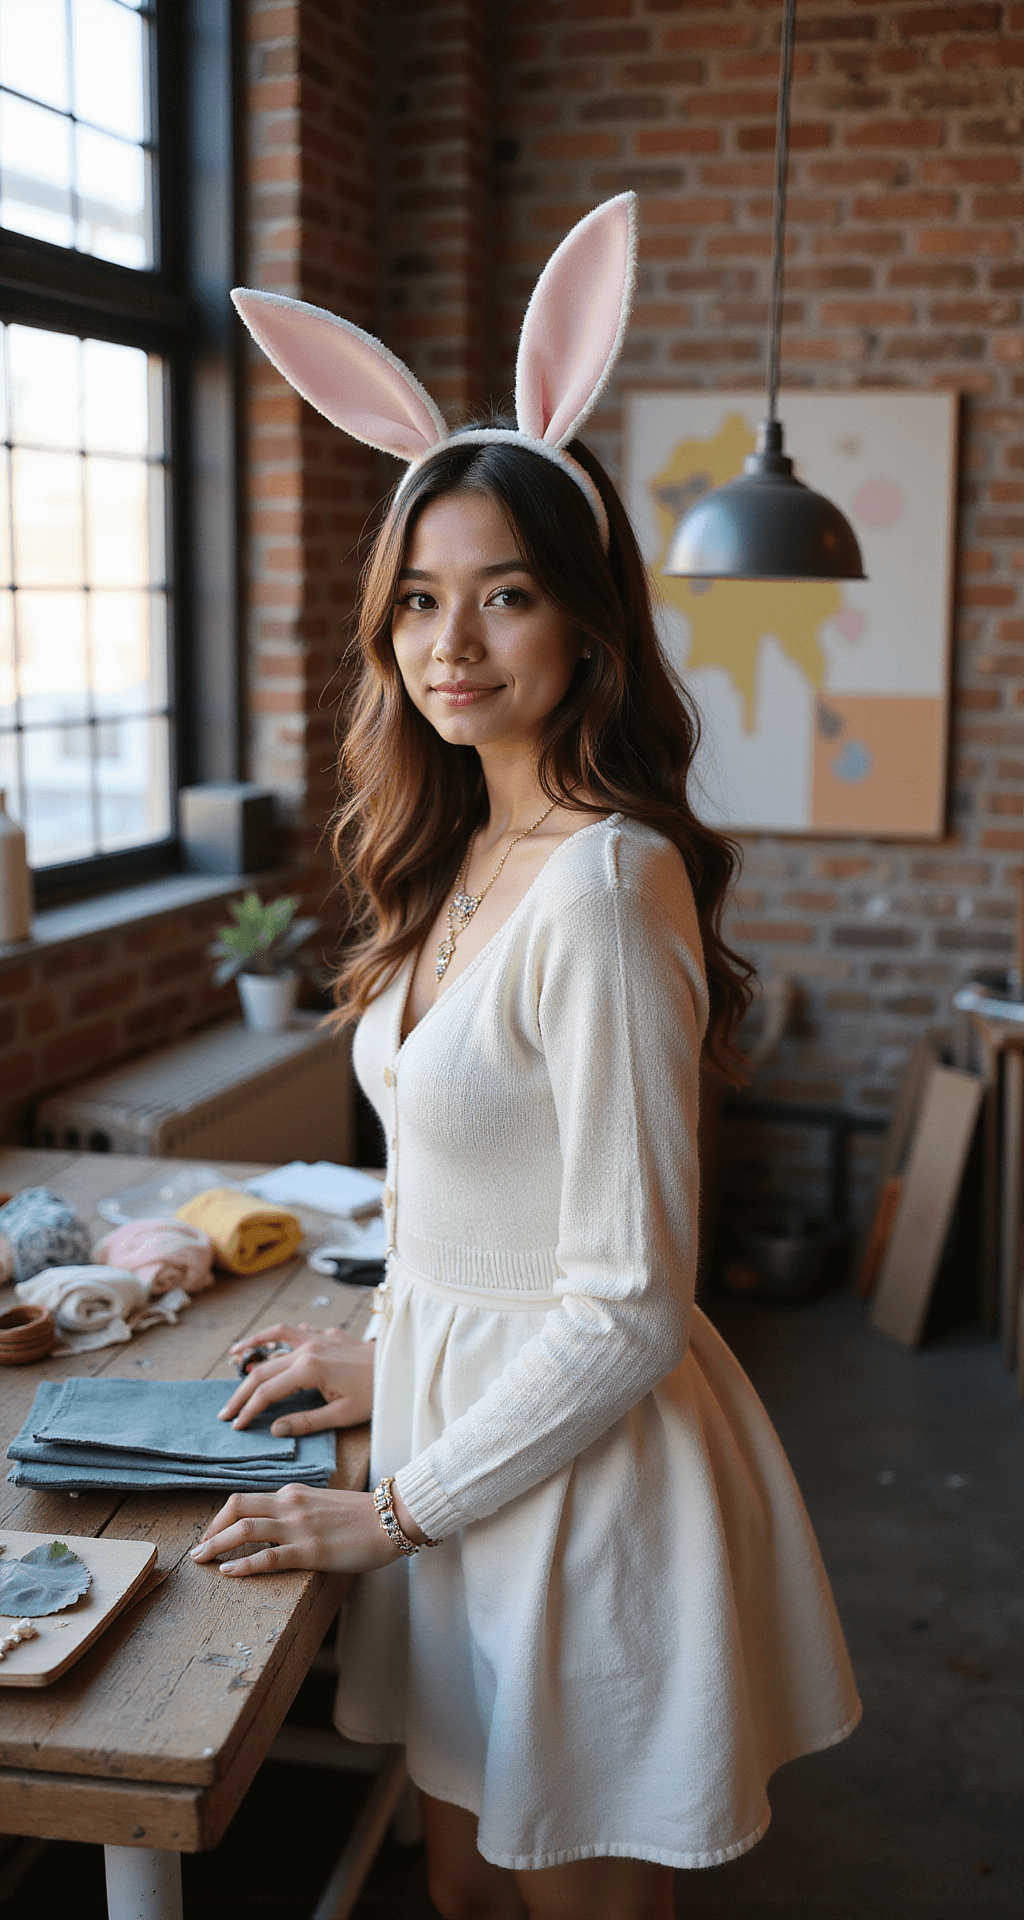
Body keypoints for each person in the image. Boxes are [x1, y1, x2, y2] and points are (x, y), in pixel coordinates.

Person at [192, 196, 861, 1920]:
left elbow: (628, 1305)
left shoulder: (609, 886)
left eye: (506, 596)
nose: (454, 645)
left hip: (579, 1502)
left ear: (588, 625)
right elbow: (482, 1215)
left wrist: (386, 1513)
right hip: (463, 1451)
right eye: (420, 600)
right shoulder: (452, 860)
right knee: (462, 1892)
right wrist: (383, 1355)